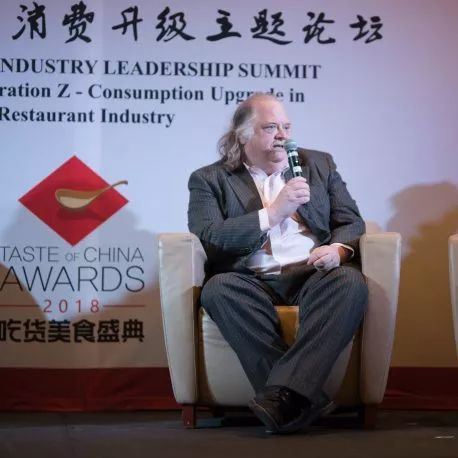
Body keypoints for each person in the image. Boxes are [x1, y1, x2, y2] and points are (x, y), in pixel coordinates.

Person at [187, 93, 368, 434]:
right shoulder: (209, 179)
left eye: (286, 126)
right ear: (243, 135)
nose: (283, 135)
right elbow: (209, 236)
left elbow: (350, 221)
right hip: (250, 277)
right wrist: (272, 214)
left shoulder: (319, 164)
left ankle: (281, 398)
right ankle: (300, 397)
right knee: (218, 289)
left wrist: (338, 250)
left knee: (349, 282)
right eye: (270, 127)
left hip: (312, 272)